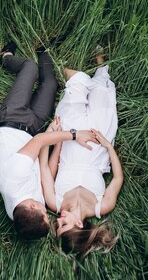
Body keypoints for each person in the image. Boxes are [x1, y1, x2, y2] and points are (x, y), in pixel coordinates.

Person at [0, 38, 97, 240]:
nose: (49, 213)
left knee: (29, 68)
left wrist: (74, 135)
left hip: (12, 119)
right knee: (50, 84)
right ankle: (43, 48)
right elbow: (43, 168)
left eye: (45, 214)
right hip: (33, 129)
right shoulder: (22, 214)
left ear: (32, 206)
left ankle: (6, 58)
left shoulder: (13, 177)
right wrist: (52, 134)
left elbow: (40, 141)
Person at [39, 46, 124, 255]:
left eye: (56, 227)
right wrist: (107, 145)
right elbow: (117, 179)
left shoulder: (54, 202)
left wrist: (56, 139)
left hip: (68, 142)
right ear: (78, 223)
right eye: (63, 225)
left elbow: (45, 168)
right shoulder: (101, 207)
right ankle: (99, 59)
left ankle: (70, 64)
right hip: (98, 147)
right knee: (102, 92)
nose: (58, 221)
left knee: (76, 81)